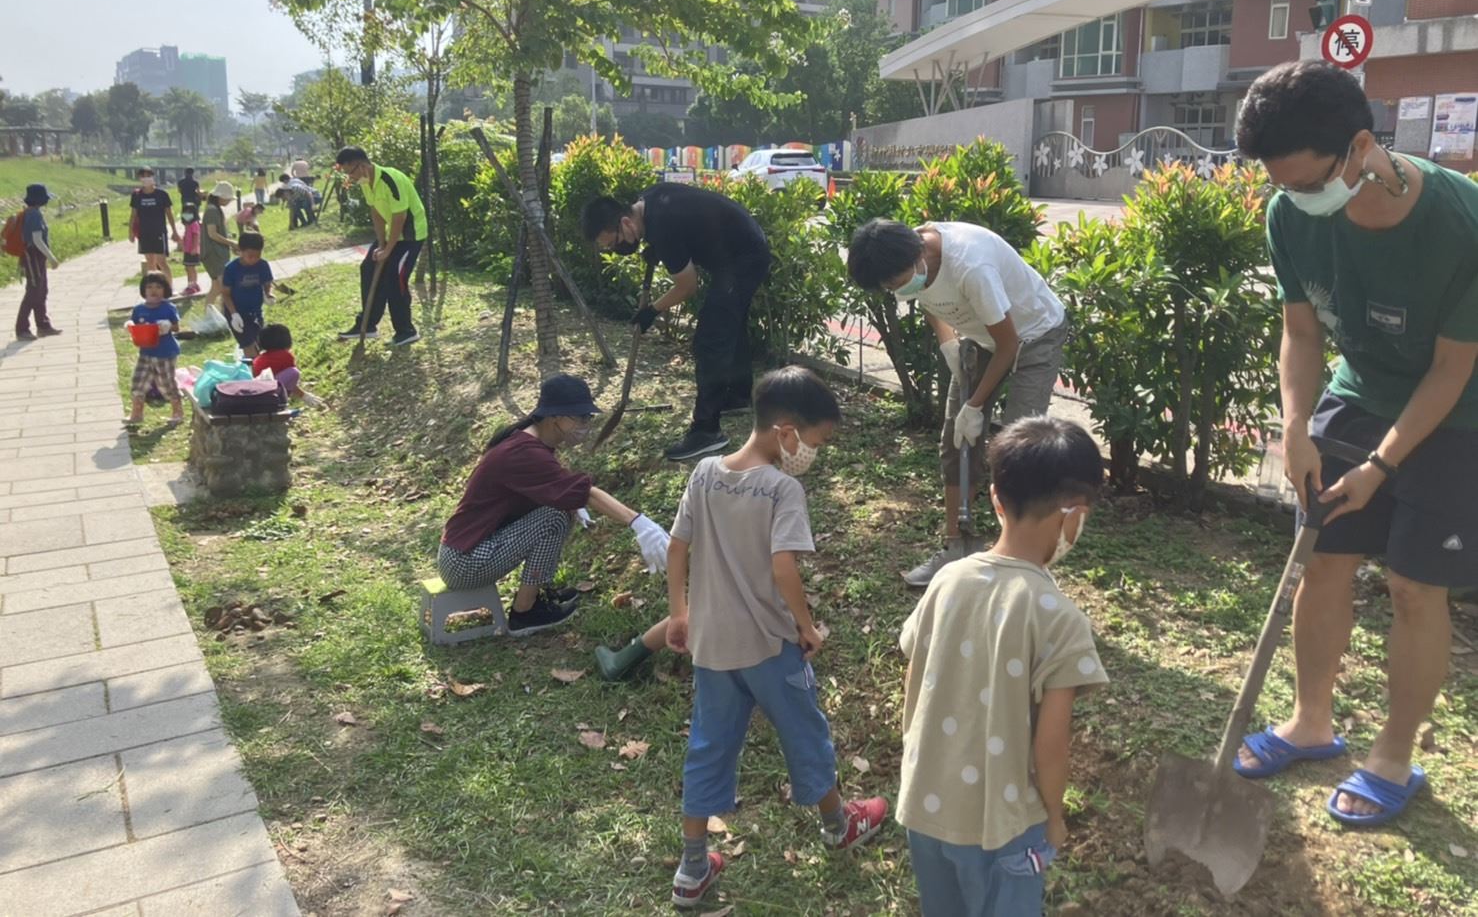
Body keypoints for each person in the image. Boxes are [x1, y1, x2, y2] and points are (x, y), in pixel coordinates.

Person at [1231, 60, 1478, 827]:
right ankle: (1311, 723)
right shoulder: (1289, 213)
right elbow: (1300, 332)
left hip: (1460, 411)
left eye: (1308, 183)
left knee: (1412, 586)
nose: (1296, 200)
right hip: (1358, 390)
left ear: (1363, 147)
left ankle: (1393, 757)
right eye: (1282, 185)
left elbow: (1450, 369)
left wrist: (1379, 466)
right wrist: (1296, 426)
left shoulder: (1460, 222)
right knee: (1323, 556)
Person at [665, 366, 887, 909]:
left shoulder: (703, 473)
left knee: (708, 748)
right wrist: (806, 626)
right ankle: (839, 825)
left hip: (713, 648)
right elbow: (783, 567)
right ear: (786, 430)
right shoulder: (781, 489)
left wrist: (679, 614)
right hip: (769, 645)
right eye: (816, 440)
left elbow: (677, 546)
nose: (815, 451)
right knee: (805, 733)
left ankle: (693, 868)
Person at [898, 416, 1108, 917]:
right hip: (1004, 829)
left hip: (925, 808)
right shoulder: (1060, 619)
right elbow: (1051, 744)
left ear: (995, 499)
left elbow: (915, 684)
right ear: (1074, 516)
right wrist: (1054, 815)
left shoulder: (946, 582)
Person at [847, 218, 1069, 588]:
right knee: (956, 442)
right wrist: (949, 343)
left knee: (1020, 448)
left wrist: (976, 405)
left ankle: (1020, 556)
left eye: (896, 282)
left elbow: (1009, 344)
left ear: (918, 257)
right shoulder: (908, 254)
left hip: (1033, 334)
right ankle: (956, 547)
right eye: (888, 286)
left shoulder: (971, 265)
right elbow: (930, 297)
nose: (895, 289)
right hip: (981, 338)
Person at [438, 374, 671, 635]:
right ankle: (525, 612)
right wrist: (639, 523)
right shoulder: (523, 452)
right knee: (555, 517)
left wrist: (571, 501)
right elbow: (588, 493)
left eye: (588, 418)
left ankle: (533, 598)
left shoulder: (527, 443)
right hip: (464, 562)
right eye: (580, 418)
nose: (585, 425)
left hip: (465, 552)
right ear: (555, 417)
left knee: (560, 511)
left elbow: (555, 485)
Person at [581, 183, 771, 462]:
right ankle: (738, 395)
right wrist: (655, 248)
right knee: (730, 322)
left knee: (711, 339)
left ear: (625, 222)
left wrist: (651, 311)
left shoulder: (663, 228)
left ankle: (707, 431)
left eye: (614, 241)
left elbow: (687, 286)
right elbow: (688, 223)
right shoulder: (647, 201)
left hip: (744, 257)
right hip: (740, 248)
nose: (617, 247)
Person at [333, 145, 428, 347]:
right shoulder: (367, 182)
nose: (351, 178)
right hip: (391, 235)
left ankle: (406, 330)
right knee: (368, 267)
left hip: (410, 236)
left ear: (362, 165)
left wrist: (388, 249)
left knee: (395, 276)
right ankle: (367, 325)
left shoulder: (390, 179)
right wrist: (381, 244)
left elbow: (399, 217)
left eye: (351, 173)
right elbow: (376, 213)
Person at [126, 272, 184, 427]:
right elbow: (135, 325)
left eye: (158, 287)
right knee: (138, 382)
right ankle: (137, 414)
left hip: (165, 353)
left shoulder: (168, 308)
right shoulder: (139, 309)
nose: (154, 290)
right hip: (145, 352)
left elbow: (176, 326)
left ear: (165, 290)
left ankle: (177, 412)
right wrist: (130, 327)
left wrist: (167, 326)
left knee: (166, 383)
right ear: (143, 290)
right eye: (150, 287)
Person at [14, 183, 61, 341]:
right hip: (33, 255)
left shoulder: (32, 213)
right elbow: (37, 239)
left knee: (41, 290)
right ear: (40, 199)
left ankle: (43, 325)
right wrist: (51, 257)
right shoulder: (34, 215)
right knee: (33, 291)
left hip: (36, 256)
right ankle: (22, 329)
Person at [221, 232, 274, 358]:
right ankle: (255, 374)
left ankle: (258, 369)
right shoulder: (231, 269)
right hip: (236, 311)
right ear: (241, 251)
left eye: (257, 256)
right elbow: (226, 294)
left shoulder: (263, 265)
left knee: (259, 342)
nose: (254, 259)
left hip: (255, 312)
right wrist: (234, 314)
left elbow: (267, 283)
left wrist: (268, 294)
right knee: (248, 344)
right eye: (250, 256)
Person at [252, 324, 324, 408]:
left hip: (257, 392)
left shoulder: (260, 357)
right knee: (294, 372)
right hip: (268, 392)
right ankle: (281, 400)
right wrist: (304, 396)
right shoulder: (285, 356)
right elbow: (290, 381)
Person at [129, 168, 180, 286]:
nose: (146, 178)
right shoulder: (137, 195)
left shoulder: (162, 194)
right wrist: (131, 232)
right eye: (143, 176)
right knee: (150, 263)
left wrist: (174, 231)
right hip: (144, 233)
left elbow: (169, 213)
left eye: (148, 176)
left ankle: (169, 287)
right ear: (140, 179)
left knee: (161, 262)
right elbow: (133, 215)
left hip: (159, 232)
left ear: (153, 177)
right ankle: (153, 289)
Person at [200, 180, 238, 315]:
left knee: (216, 288)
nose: (228, 201)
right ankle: (228, 314)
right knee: (224, 287)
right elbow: (212, 234)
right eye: (227, 198)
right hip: (213, 254)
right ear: (220, 197)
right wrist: (232, 243)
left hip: (218, 253)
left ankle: (209, 315)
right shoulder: (212, 210)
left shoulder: (216, 209)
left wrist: (229, 243)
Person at [177, 167, 203, 295]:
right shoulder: (195, 182)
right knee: (188, 267)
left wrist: (193, 247)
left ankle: (191, 285)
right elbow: (198, 192)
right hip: (188, 248)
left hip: (191, 249)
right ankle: (193, 284)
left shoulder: (181, 182)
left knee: (190, 268)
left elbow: (179, 191)